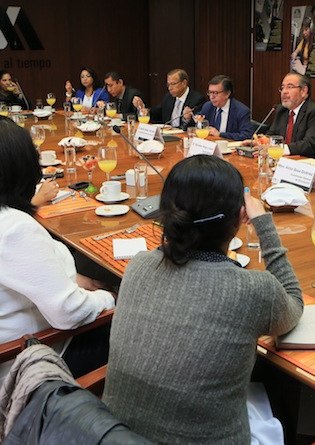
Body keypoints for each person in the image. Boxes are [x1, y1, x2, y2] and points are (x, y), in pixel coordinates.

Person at [103, 155, 303, 443]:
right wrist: (263, 224)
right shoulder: (254, 290)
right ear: (240, 216)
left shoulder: (138, 264)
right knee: (278, 387)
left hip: (114, 436)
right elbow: (294, 302)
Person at [0, 117, 114, 400]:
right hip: (29, 366)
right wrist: (110, 298)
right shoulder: (12, 228)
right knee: (136, 325)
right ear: (23, 170)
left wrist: (73, 282)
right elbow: (68, 313)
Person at [247, 72, 315, 159]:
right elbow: (272, 134)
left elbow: (309, 144)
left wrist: (280, 150)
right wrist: (262, 142)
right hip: (282, 160)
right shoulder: (281, 110)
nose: (284, 92)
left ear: (303, 91)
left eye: (290, 87)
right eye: (282, 88)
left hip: (306, 162)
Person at [193, 75, 252, 140]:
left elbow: (246, 135)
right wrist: (197, 119)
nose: (211, 97)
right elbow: (200, 119)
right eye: (210, 92)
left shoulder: (241, 111)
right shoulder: (208, 106)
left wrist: (220, 134)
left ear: (227, 94)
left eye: (215, 93)